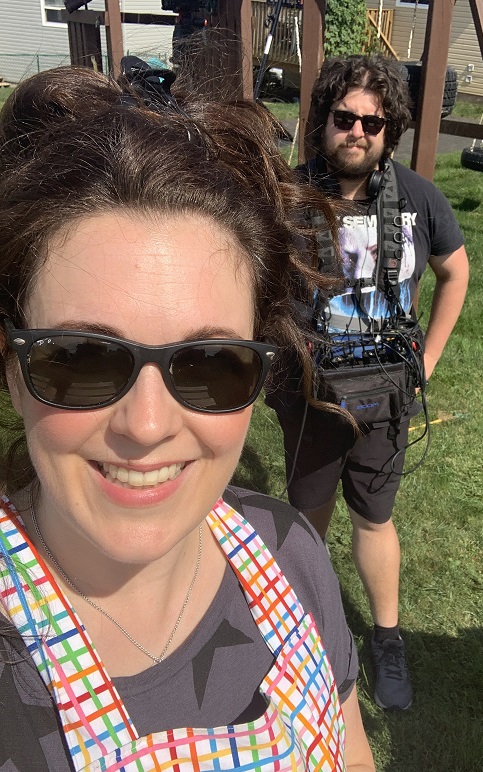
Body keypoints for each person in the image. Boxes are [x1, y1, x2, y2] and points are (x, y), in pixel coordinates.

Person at [0, 64, 375, 772]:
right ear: (12, 371)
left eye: (209, 365)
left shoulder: (290, 555)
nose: (145, 425)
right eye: (81, 358)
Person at [266, 54, 469, 712]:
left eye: (372, 122)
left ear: (390, 129)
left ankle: (386, 638)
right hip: (311, 391)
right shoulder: (288, 196)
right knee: (305, 522)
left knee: (375, 519)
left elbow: (454, 271)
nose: (357, 131)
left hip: (385, 393)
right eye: (343, 117)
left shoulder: (416, 197)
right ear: (322, 120)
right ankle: (299, 636)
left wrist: (427, 361)